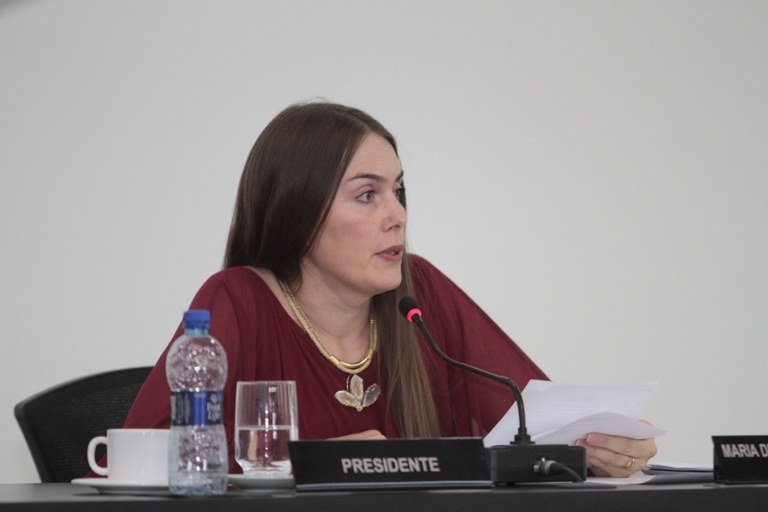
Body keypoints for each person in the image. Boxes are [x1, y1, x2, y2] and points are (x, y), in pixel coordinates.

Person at [122, 101, 656, 477]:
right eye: (367, 195)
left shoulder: (420, 295)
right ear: (298, 210)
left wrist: (599, 446)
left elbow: (532, 426)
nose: (397, 215)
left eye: (399, 192)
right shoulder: (237, 300)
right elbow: (149, 463)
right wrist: (314, 464)